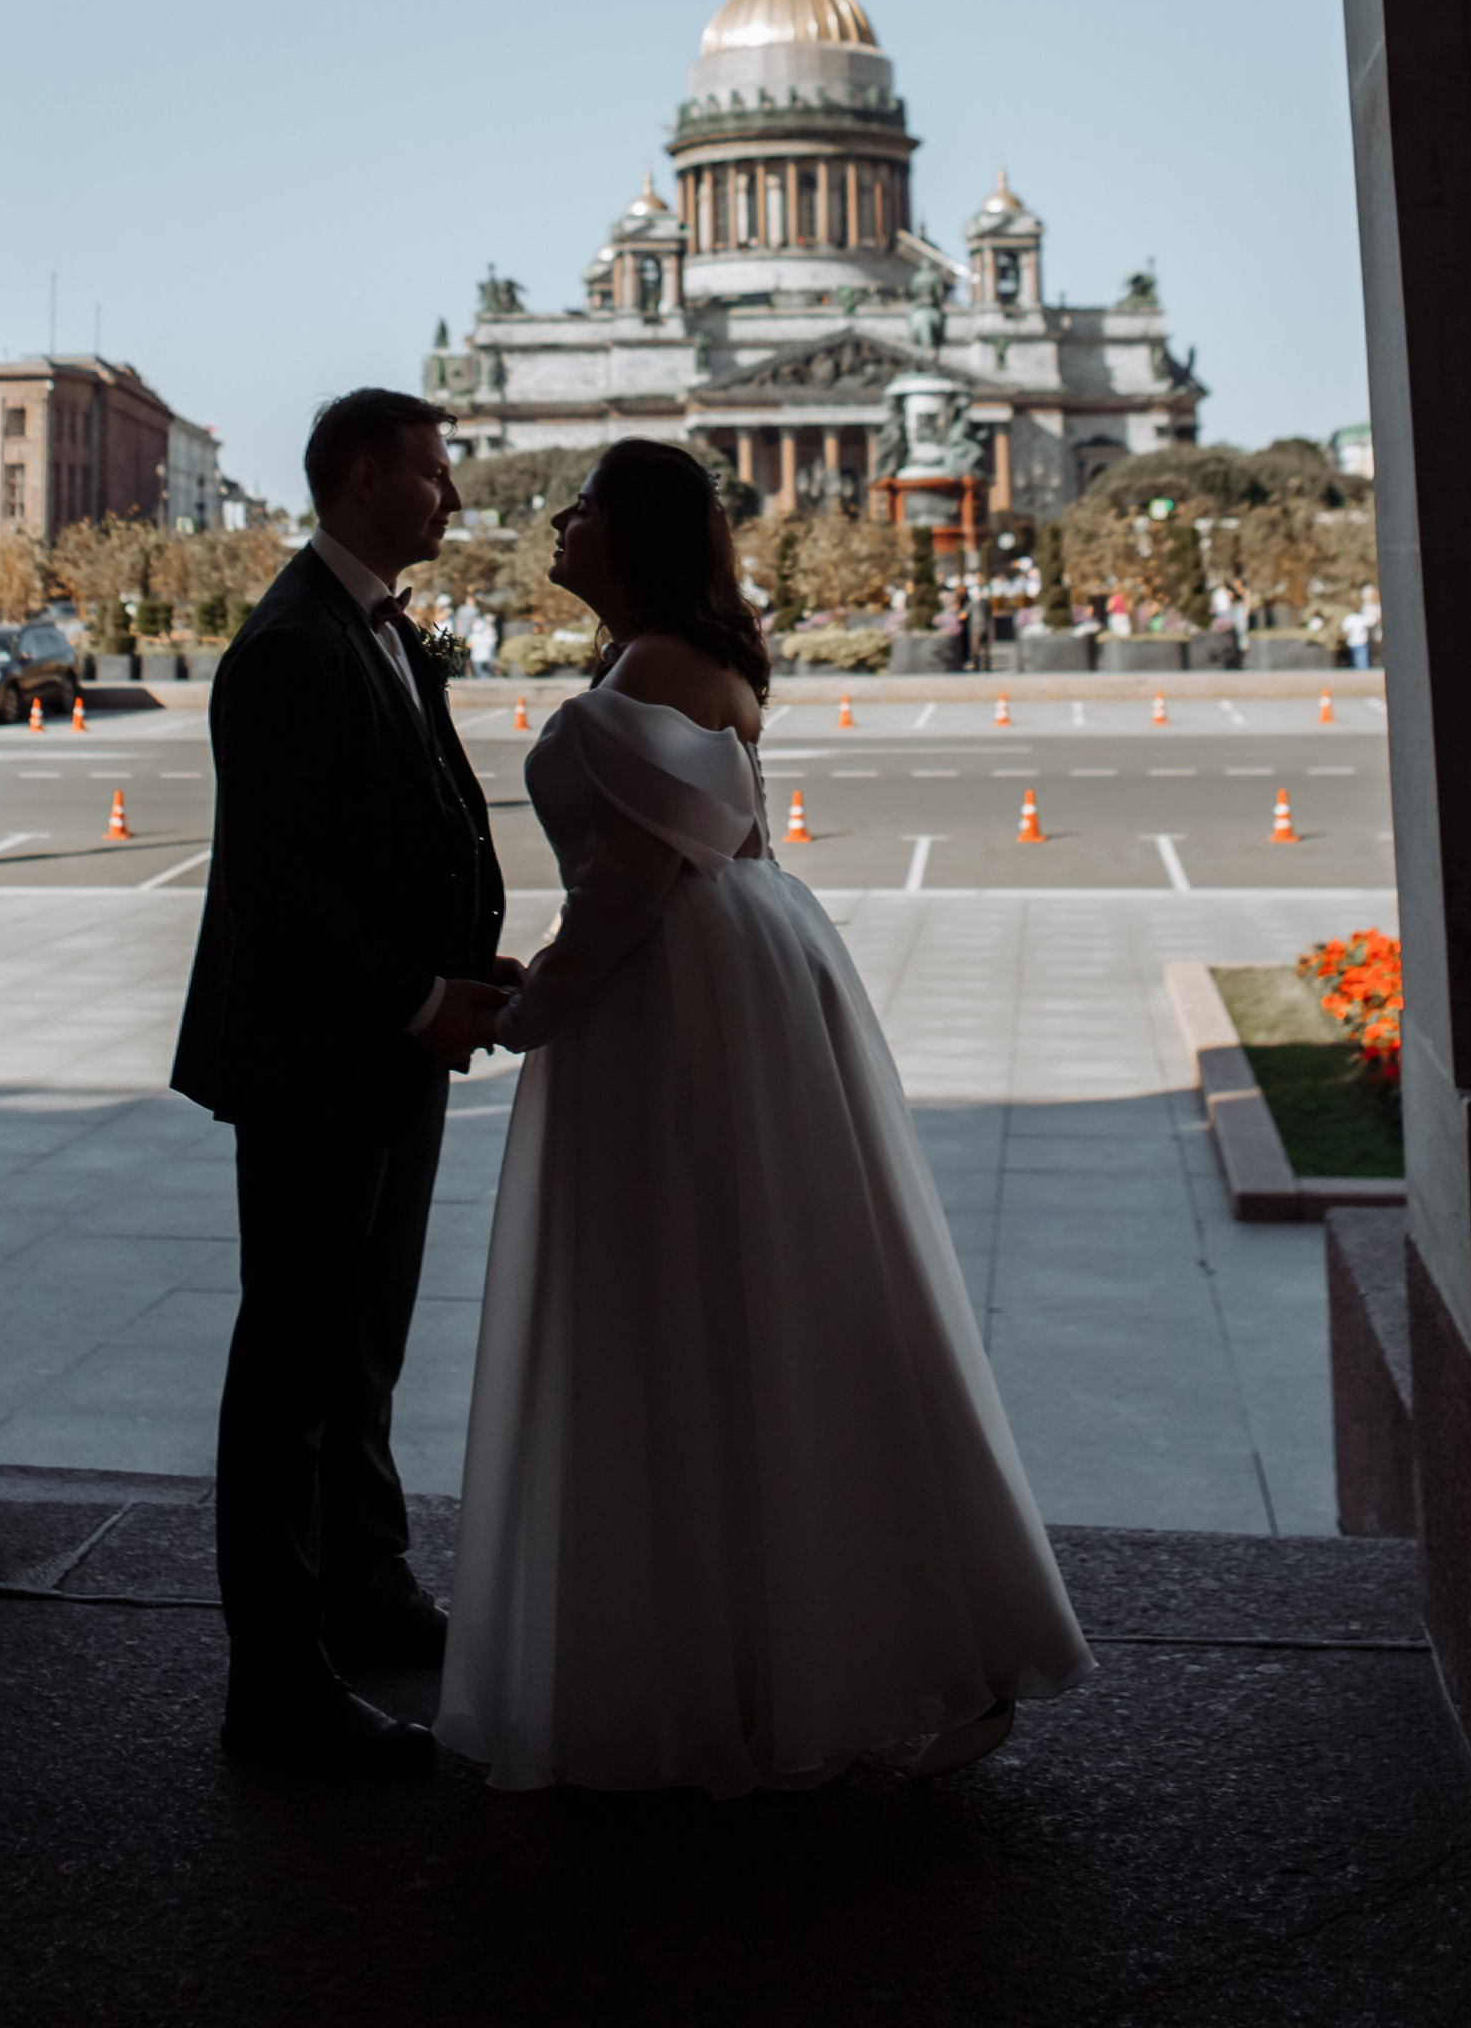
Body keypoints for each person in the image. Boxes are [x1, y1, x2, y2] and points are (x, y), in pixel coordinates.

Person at [437, 439, 1090, 1795]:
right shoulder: (682, 657)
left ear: (639, 538)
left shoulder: (655, 667)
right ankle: (793, 1650)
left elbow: (628, 895)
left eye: (589, 508)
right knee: (762, 1314)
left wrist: (525, 1011)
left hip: (674, 1011)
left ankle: (746, 1662)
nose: (559, 523)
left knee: (679, 1314)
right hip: (728, 991)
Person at [171, 388, 515, 1780]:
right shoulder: (294, 644)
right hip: (324, 1057)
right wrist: (425, 996)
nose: (451, 497)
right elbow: (281, 884)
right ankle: (279, 1675)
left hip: (392, 1051)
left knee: (360, 1343)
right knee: (293, 1366)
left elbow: (404, 829)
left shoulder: (369, 627)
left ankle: (365, 1588)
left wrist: (465, 969)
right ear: (366, 477)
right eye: (433, 475)